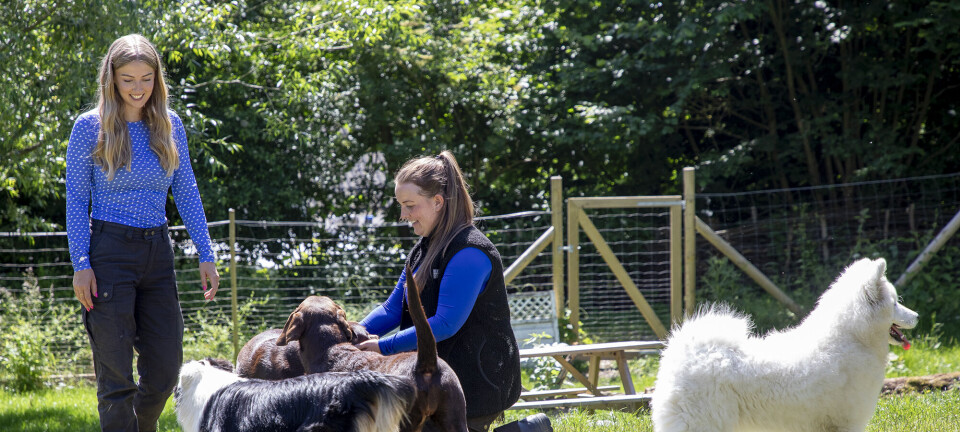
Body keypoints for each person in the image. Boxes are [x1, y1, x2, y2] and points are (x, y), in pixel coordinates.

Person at [66, 34, 220, 432]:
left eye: (146, 78)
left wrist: (206, 252)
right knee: (116, 378)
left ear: (158, 79)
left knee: (166, 369)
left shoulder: (170, 125)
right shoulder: (90, 127)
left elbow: (186, 190)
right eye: (128, 79)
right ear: (112, 79)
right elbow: (75, 201)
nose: (138, 88)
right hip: (108, 252)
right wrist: (80, 263)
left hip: (157, 253)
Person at [357, 151, 548, 432]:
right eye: (401, 205)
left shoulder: (470, 251)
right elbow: (392, 309)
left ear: (437, 202)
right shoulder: (422, 250)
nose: (403, 215)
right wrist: (354, 332)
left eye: (409, 205)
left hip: (477, 379)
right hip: (437, 377)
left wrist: (383, 347)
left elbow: (446, 323)